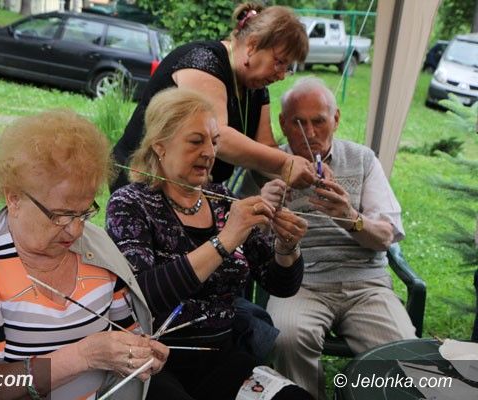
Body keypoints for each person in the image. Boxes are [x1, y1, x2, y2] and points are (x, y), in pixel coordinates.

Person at [0, 110, 168, 399]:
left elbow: (126, 336)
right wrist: (81, 356)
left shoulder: (97, 250)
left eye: (84, 212)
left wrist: (139, 353)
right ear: (14, 197)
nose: (75, 230)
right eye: (60, 215)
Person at [105, 87, 311, 400]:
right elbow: (142, 295)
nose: (209, 152)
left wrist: (287, 248)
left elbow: (279, 284)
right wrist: (224, 240)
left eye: (213, 142)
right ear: (160, 146)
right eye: (195, 141)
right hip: (154, 360)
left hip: (222, 357)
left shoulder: (224, 201)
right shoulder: (131, 204)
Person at [258, 77, 417, 399]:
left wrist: (349, 216)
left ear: (336, 119)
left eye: (319, 121)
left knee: (402, 354)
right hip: (300, 284)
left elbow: (385, 235)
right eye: (298, 122)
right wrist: (263, 208)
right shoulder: (266, 165)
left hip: (365, 285)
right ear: (283, 124)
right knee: (286, 337)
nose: (310, 133)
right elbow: (246, 242)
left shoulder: (362, 159)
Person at [110, 2, 315, 194]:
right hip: (143, 183)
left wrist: (309, 176)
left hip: (188, 191)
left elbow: (266, 148)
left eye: (288, 67)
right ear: (252, 45)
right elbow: (219, 137)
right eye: (279, 62)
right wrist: (285, 163)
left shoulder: (256, 86)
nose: (282, 75)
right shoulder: (204, 62)